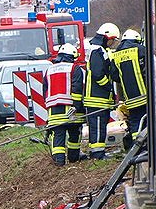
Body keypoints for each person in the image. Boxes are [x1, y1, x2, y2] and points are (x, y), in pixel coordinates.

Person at [43, 43, 85, 166]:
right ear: (72, 57)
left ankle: (59, 163)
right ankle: (73, 159)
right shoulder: (74, 68)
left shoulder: (49, 70)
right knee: (74, 134)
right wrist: (77, 107)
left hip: (54, 112)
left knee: (58, 136)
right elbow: (77, 89)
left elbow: (45, 91)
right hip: (71, 111)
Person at [82, 24, 118, 159]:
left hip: (100, 98)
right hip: (96, 97)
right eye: (112, 39)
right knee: (97, 125)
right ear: (106, 37)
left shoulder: (98, 49)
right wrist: (108, 87)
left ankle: (98, 151)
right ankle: (97, 153)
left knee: (100, 125)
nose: (112, 43)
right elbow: (98, 74)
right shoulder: (97, 51)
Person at [109, 27, 148, 150]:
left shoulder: (116, 55)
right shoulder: (141, 50)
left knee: (135, 121)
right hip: (145, 95)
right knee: (147, 119)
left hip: (130, 98)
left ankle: (136, 148)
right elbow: (149, 71)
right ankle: (146, 146)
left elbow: (115, 76)